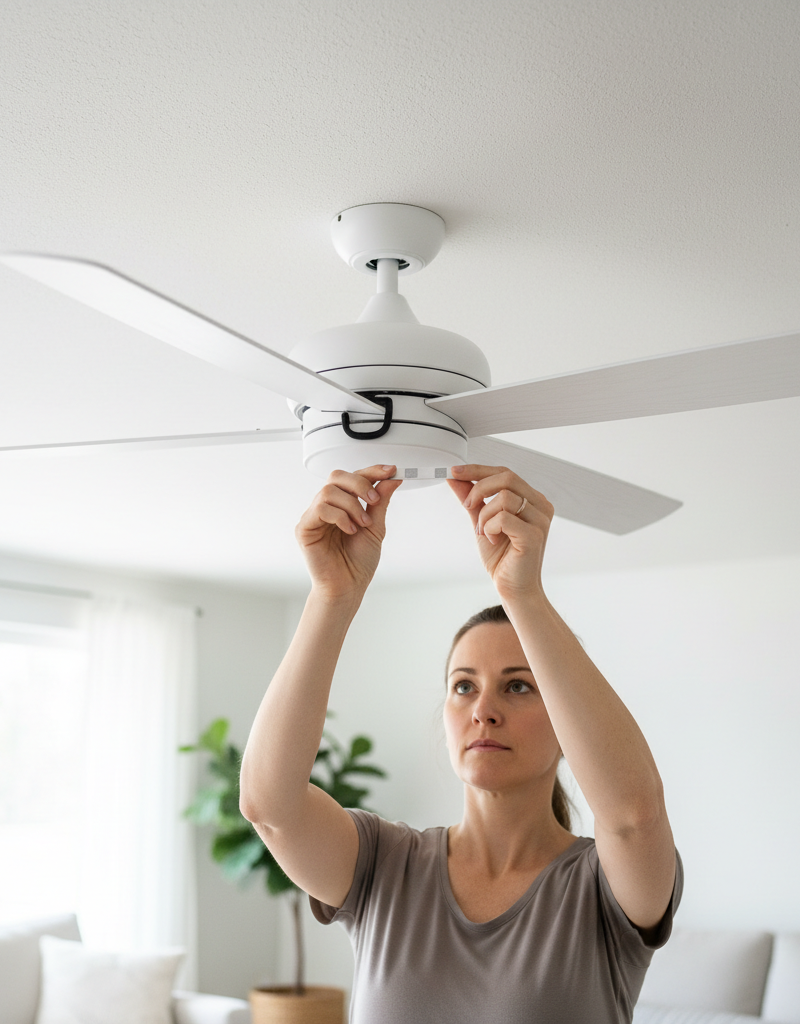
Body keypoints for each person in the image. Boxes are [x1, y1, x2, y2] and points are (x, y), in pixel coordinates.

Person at [239, 463, 682, 1024]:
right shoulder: (383, 865)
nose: (483, 710)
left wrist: (523, 593)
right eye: (463, 686)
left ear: (569, 725)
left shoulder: (602, 888)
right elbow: (269, 806)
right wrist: (332, 593)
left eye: (518, 686)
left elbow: (634, 815)